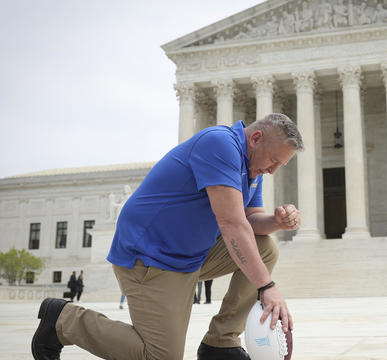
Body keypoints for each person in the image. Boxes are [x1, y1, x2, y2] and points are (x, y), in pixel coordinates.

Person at [32, 113, 303, 360]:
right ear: (256, 138)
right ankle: (63, 320)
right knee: (160, 356)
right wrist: (267, 287)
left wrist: (276, 222)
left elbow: (250, 221)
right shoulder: (220, 144)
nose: (273, 170)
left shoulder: (252, 167)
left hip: (190, 255)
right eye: (274, 161)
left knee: (266, 247)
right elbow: (232, 223)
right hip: (150, 257)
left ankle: (221, 343)